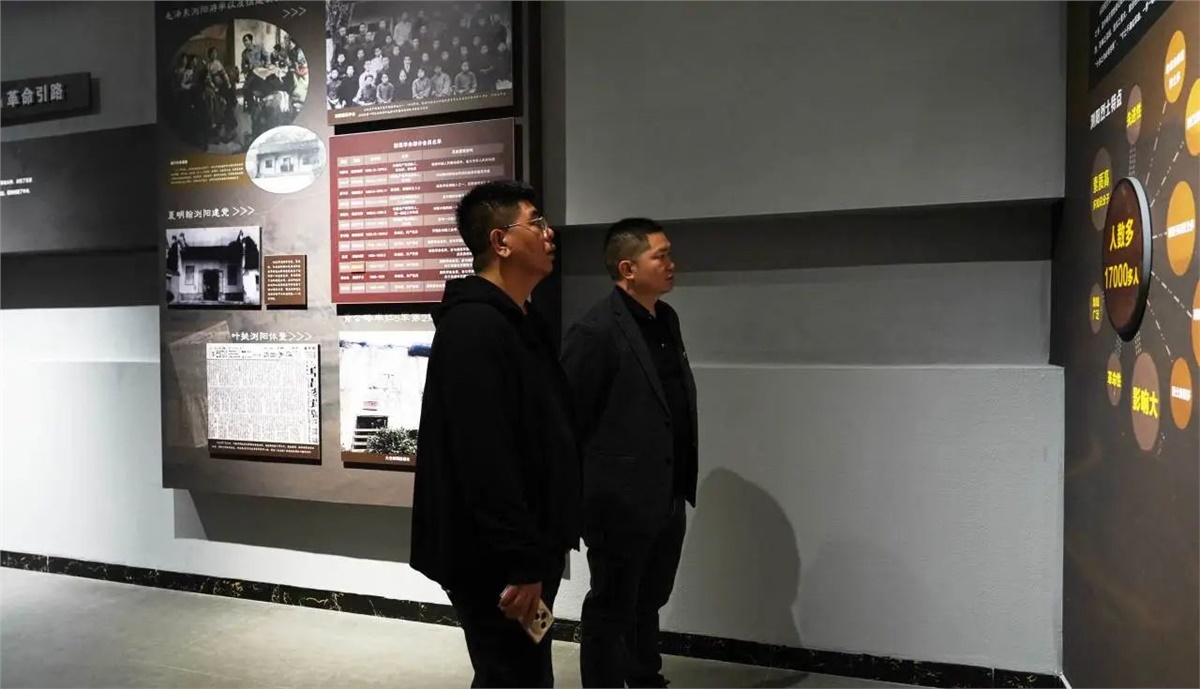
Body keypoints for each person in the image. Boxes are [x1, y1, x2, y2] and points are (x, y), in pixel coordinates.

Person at [410, 180, 581, 688]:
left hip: (526, 547)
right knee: (512, 676)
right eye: (536, 223)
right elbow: (484, 457)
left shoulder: (521, 321)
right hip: (495, 559)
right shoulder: (474, 328)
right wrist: (521, 561)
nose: (549, 234)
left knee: (521, 674)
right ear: (501, 241)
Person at [561, 218, 698, 689]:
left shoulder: (666, 319)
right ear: (628, 268)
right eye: (660, 255)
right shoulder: (595, 330)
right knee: (611, 605)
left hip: (666, 490)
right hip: (616, 500)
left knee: (649, 599)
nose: (671, 263)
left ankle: (644, 678)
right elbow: (569, 420)